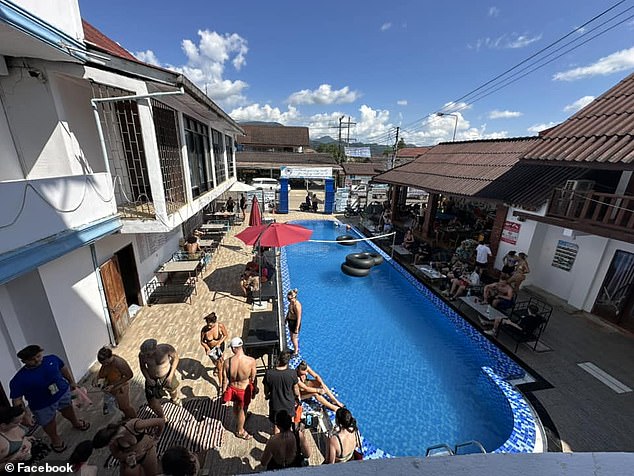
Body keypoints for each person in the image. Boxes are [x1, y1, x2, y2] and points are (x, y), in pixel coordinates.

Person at [9, 345, 90, 453]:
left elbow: (63, 368)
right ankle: (55, 439)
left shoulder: (52, 359)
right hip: (42, 405)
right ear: (24, 361)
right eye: (32, 359)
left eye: (38, 356)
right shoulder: (18, 379)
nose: (37, 360)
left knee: (68, 409)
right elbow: (17, 399)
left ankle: (76, 422)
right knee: (48, 423)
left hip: (62, 393)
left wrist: (71, 382)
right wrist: (25, 416)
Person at [93, 417, 165, 476]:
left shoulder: (135, 425)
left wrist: (157, 437)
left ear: (110, 440)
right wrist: (127, 456)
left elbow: (160, 421)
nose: (108, 446)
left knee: (152, 474)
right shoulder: (113, 443)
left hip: (147, 453)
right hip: (130, 462)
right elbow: (116, 455)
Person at [222, 337, 257, 440]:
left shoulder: (227, 362)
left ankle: (238, 420)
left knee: (235, 405)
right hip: (243, 389)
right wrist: (254, 390)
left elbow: (224, 379)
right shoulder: (251, 361)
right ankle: (240, 430)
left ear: (234, 348)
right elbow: (253, 379)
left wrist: (224, 392)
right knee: (243, 409)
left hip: (232, 388)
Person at [138, 339, 180, 419]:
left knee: (173, 390)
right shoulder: (142, 355)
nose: (146, 356)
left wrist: (170, 376)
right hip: (152, 378)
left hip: (167, 374)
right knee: (151, 401)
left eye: (148, 354)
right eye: (145, 354)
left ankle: (174, 399)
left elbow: (176, 358)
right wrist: (148, 379)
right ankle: (162, 417)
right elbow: (143, 367)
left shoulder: (166, 349)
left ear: (154, 349)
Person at [264, 351, 300, 435]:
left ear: (279, 358)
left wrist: (267, 395)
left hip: (275, 404)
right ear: (288, 361)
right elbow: (296, 390)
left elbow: (266, 390)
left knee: (276, 425)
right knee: (289, 425)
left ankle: (277, 444)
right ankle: (289, 444)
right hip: (288, 404)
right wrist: (297, 398)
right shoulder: (292, 373)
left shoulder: (269, 373)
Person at [96, 347, 136, 420]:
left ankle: (135, 420)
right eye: (103, 364)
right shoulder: (106, 363)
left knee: (125, 407)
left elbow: (130, 375)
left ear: (110, 357)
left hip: (121, 386)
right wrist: (96, 378)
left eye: (106, 363)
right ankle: (127, 418)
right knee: (120, 407)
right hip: (112, 386)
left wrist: (114, 385)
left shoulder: (119, 363)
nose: (105, 364)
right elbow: (102, 372)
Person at [200, 312, 228, 392]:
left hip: (219, 348)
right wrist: (207, 348)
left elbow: (226, 335)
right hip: (210, 349)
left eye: (210, 325)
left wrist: (219, 343)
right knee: (215, 362)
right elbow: (202, 341)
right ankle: (217, 366)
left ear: (215, 322)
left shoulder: (220, 326)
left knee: (220, 367)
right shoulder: (204, 330)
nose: (209, 326)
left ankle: (220, 385)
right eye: (208, 324)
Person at [0, 406, 33, 471]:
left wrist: (25, 438)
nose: (20, 422)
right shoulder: (1, 442)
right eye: (16, 422)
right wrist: (13, 460)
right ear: (3, 425)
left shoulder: (13, 426)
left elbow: (19, 438)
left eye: (21, 419)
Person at [285, 289, 302, 355]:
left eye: (289, 299)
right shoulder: (291, 303)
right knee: (292, 337)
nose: (288, 300)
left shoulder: (297, 305)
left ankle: (296, 351)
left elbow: (299, 317)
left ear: (293, 297)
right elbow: (289, 312)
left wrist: (297, 328)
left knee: (294, 338)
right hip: (290, 321)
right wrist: (286, 318)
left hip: (295, 323)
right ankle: (295, 349)